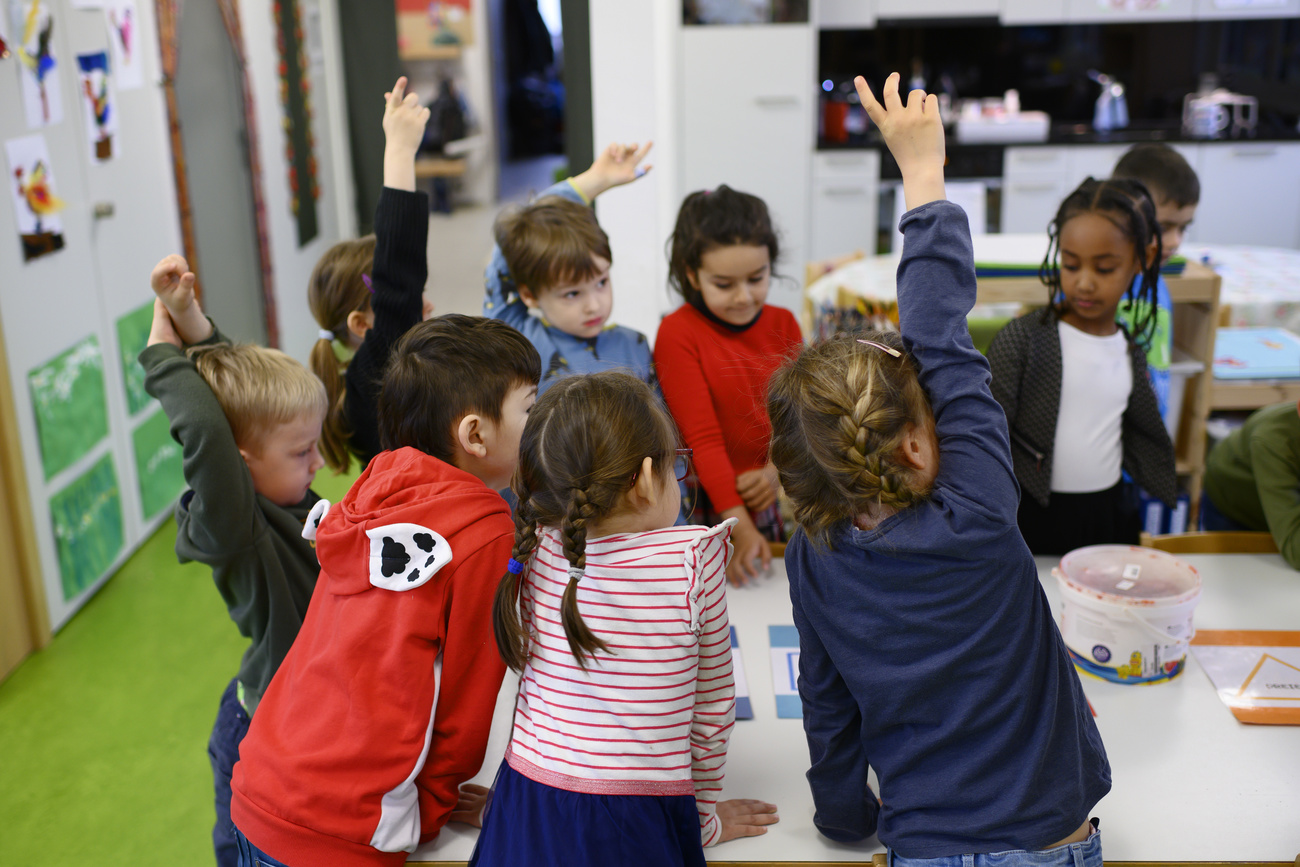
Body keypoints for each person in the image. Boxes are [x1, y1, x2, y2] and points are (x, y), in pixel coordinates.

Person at [766, 72, 1109, 866]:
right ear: (919, 447)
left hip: (922, 847)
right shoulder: (980, 505)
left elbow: (827, 705)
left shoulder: (813, 555)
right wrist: (923, 173)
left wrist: (844, 816)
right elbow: (941, 335)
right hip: (1051, 842)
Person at [229, 315, 541, 867]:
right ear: (474, 435)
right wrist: (431, 808)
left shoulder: (378, 483)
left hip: (262, 784)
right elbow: (467, 703)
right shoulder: (485, 532)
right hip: (340, 827)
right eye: (531, 410)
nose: (541, 426)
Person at [474, 371, 778, 866]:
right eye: (676, 464)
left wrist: (506, 801)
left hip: (526, 797)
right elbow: (712, 717)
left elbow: (542, 691)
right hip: (637, 819)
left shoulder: (535, 548)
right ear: (645, 479)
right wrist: (703, 822)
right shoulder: (693, 564)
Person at [140, 255, 327, 867]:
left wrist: (191, 320)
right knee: (241, 853)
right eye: (302, 452)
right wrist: (164, 354)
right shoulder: (237, 525)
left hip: (287, 718)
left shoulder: (290, 498)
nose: (320, 464)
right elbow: (207, 429)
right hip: (255, 729)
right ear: (242, 465)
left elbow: (237, 397)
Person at [987, 176, 1178, 555]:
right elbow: (987, 433)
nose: (1084, 283)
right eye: (1071, 265)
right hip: (1033, 511)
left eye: (1104, 268)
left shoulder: (1129, 348)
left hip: (1108, 511)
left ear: (1144, 258)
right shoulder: (1024, 339)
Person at [654, 185, 803, 585]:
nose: (743, 296)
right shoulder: (677, 333)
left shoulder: (784, 323)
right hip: (708, 500)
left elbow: (799, 418)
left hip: (764, 491)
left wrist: (774, 471)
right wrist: (739, 526)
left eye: (757, 278)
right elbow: (701, 439)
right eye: (724, 284)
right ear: (692, 274)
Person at [308, 76, 435, 473]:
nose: (424, 304)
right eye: (410, 297)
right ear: (362, 324)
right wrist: (399, 151)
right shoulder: (378, 371)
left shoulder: (365, 379)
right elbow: (398, 275)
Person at [484, 142, 656, 394]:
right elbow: (508, 242)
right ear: (529, 295)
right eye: (572, 293)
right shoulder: (519, 343)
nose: (594, 305)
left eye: (601, 282)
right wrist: (593, 182)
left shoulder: (634, 345)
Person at [1112, 142, 1201, 422]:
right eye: (1164, 227)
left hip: (1149, 433)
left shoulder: (1158, 285)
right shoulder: (1098, 286)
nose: (1175, 241)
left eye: (1183, 228)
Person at [1202, 401, 1300, 568]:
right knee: (1240, 576)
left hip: (1283, 509)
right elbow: (1295, 550)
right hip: (1235, 503)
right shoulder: (1272, 438)